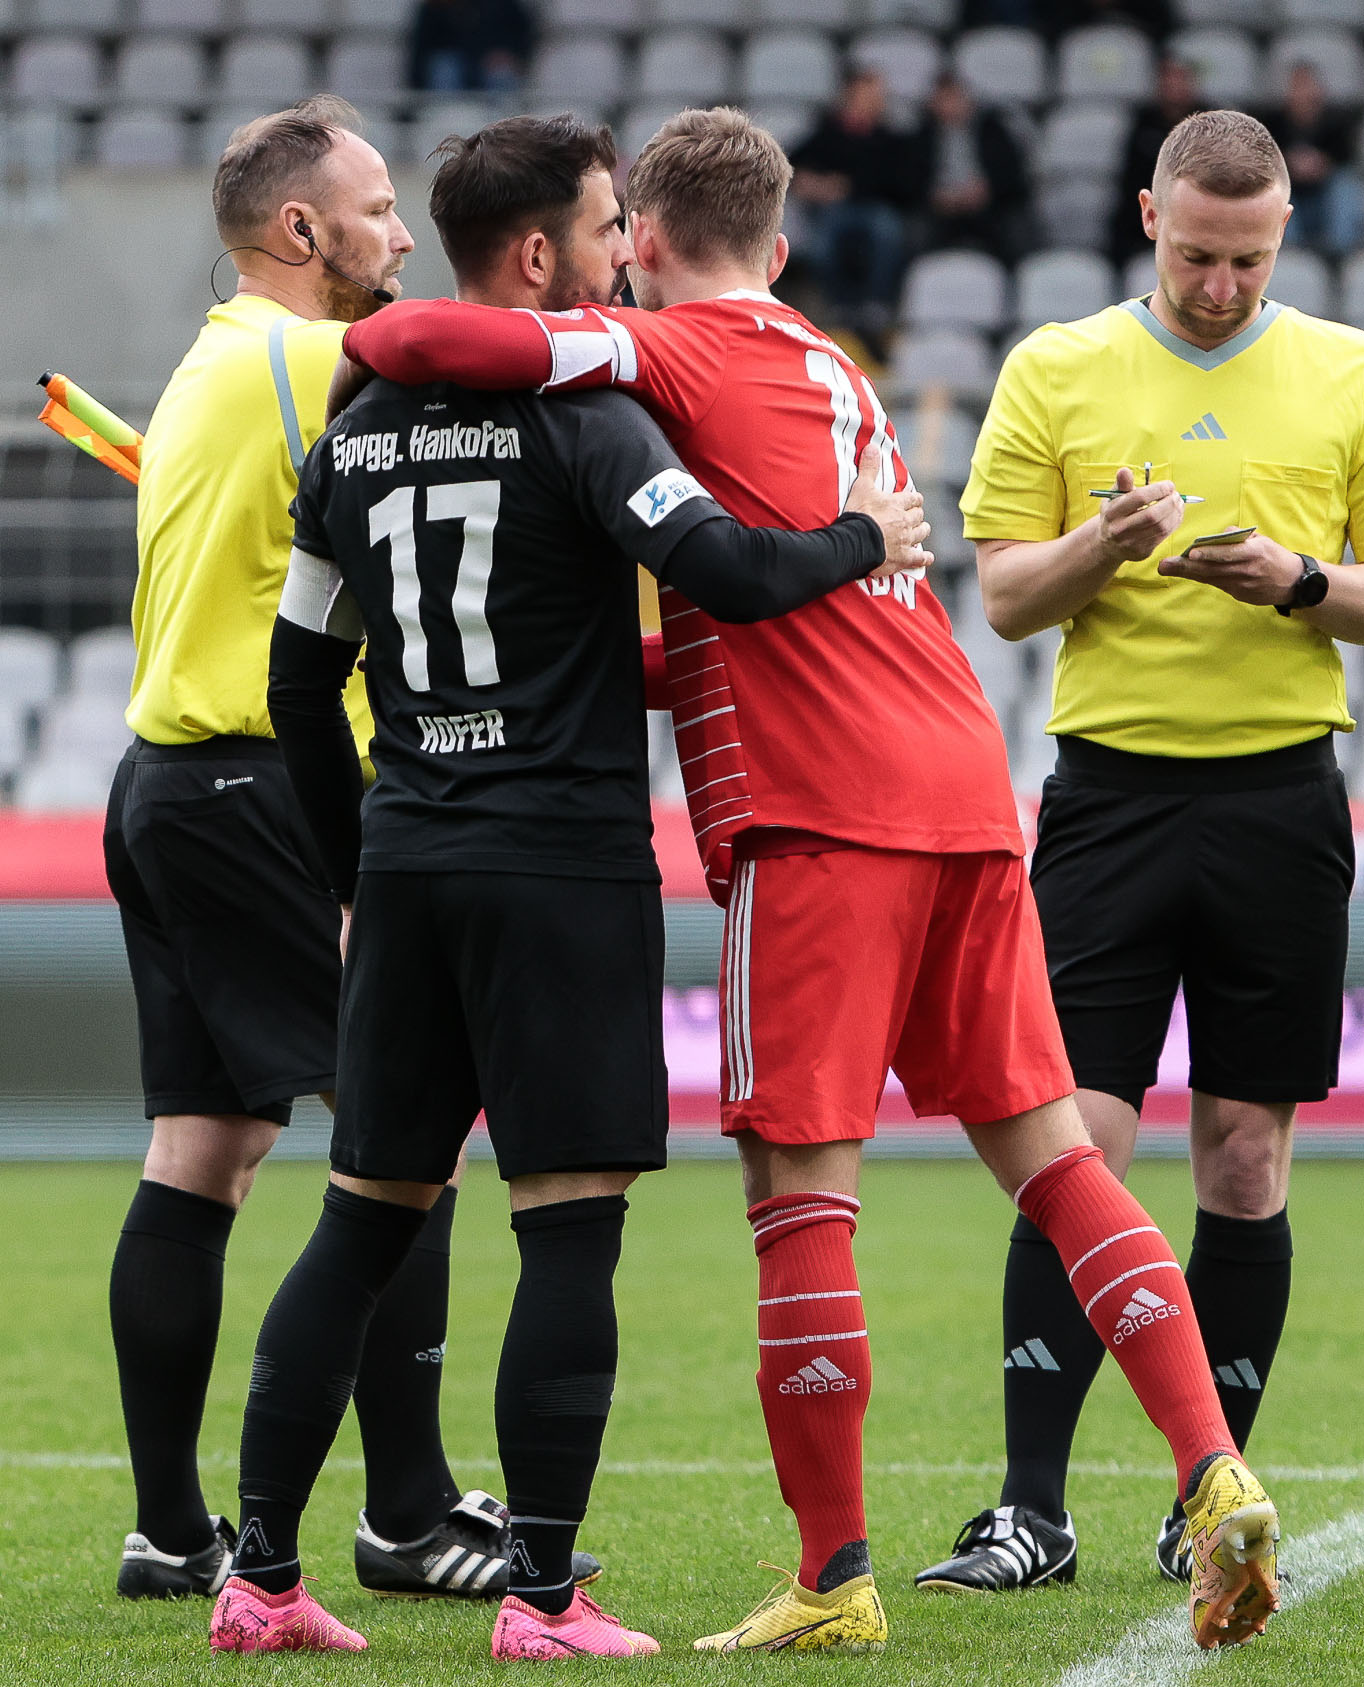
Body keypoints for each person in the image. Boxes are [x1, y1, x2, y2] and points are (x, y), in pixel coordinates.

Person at [339, 105, 1284, 1656]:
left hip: (822, 810)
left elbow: (451, 340)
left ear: (640, 242)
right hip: (963, 784)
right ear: (780, 246)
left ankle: (833, 1569)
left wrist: (364, 331)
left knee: (799, 1190)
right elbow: (756, 603)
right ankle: (1211, 1461)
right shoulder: (828, 359)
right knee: (1055, 1157)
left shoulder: (663, 350)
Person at [213, 113, 929, 1660]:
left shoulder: (350, 436)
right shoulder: (588, 416)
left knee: (358, 1225)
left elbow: (292, 684)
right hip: (560, 874)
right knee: (567, 1230)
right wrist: (867, 536)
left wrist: (360, 869)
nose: (625, 259)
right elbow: (735, 574)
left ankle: (258, 1573)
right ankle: (541, 1597)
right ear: (537, 256)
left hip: (408, 866)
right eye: (609, 231)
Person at [949, 107, 1364, 1591]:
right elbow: (1005, 598)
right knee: (1076, 1146)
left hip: (1282, 802)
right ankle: (1029, 1506)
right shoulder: (1057, 364)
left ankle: (1203, 1491)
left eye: (1248, 258)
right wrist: (1104, 546)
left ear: (1281, 234)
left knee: (1243, 1152)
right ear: (1148, 213)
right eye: (1195, 253)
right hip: (1107, 795)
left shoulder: (1350, 371)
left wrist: (1298, 582)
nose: (1220, 284)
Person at [106, 95, 506, 1611]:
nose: (404, 236)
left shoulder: (218, 362)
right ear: (300, 231)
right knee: (404, 1131)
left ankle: (168, 1525)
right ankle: (405, 1510)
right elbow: (474, 406)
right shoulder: (322, 361)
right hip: (269, 788)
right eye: (383, 207)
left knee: (203, 1148)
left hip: (163, 783)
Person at [789, 69, 919, 351]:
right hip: (836, 209)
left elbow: (904, 184)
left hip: (877, 208)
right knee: (821, 245)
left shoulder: (890, 137)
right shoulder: (829, 132)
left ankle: (875, 304)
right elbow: (791, 164)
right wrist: (820, 186)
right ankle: (840, 305)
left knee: (888, 233)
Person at [910, 72, 1031, 260]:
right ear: (933, 104)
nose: (950, 105)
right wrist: (934, 195)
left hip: (989, 204)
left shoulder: (992, 130)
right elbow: (909, 179)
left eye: (955, 98)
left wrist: (988, 189)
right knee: (918, 232)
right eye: (944, 100)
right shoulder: (922, 136)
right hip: (940, 208)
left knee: (1016, 228)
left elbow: (1013, 172)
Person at [1252, 59, 1362, 257]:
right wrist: (1289, 164)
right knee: (1274, 188)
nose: (1302, 93)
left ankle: (1340, 250)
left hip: (1324, 197)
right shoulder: (1272, 122)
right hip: (1292, 195)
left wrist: (1321, 163)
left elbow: (1345, 157)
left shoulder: (1338, 122)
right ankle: (1291, 251)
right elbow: (1261, 158)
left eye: (1307, 86)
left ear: (1319, 90)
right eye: (1297, 87)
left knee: (1345, 185)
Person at [1109, 56, 1203, 258]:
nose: (1174, 86)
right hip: (1147, 213)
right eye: (1169, 80)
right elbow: (1132, 179)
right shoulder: (1142, 123)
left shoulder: (1208, 123)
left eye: (1180, 79)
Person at [408, 0, 532, 94]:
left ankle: (500, 122)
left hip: (490, 72)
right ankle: (445, 118)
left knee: (502, 74)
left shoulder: (504, 5)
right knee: (445, 68)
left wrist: (509, 56)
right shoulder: (435, 7)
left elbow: (522, 37)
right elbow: (421, 54)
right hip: (452, 76)